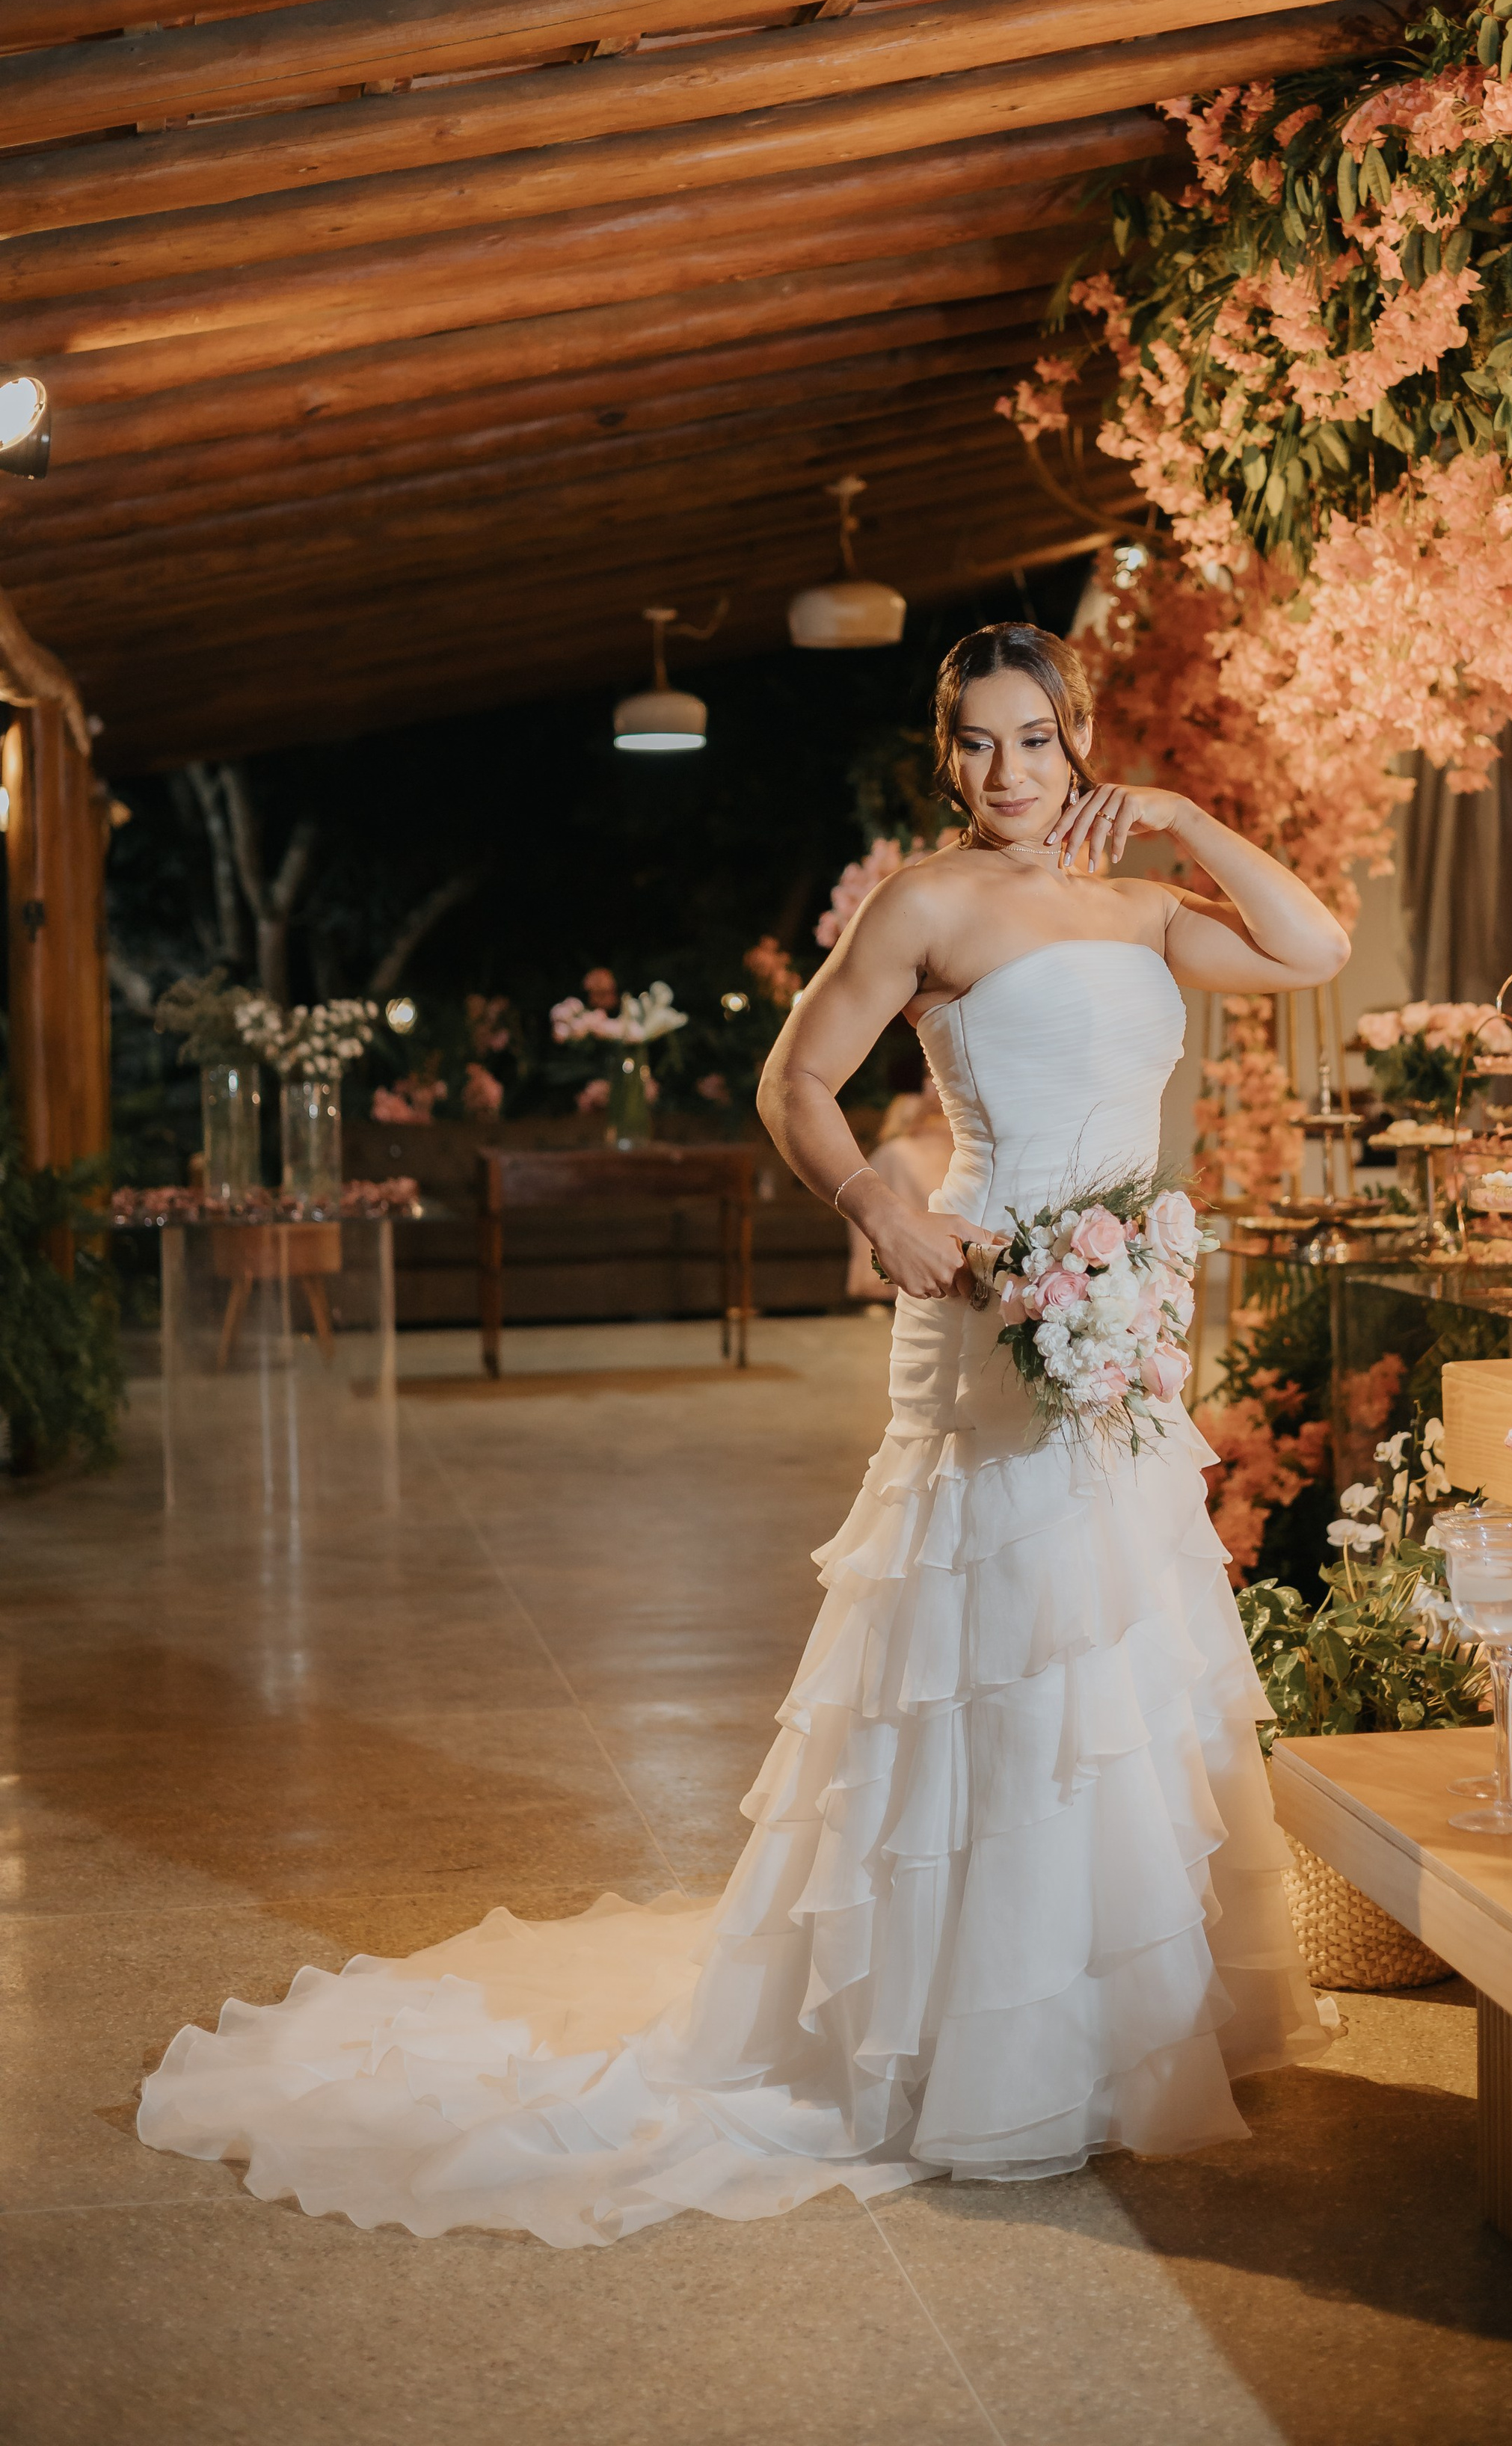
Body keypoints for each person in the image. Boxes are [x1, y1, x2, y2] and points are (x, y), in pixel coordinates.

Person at [136, 621, 1351, 2245]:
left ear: (1079, 744)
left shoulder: (1143, 907)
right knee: (979, 1644)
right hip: (987, 1293)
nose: (1003, 774)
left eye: (1033, 742)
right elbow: (798, 1082)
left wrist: (1186, 825)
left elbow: (1314, 946)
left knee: (1110, 1655)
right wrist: (873, 1200)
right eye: (975, 744)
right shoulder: (923, 902)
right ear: (947, 757)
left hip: (1119, 1321)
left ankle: (1109, 2025)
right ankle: (957, 2039)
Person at [843, 1078, 955, 1303]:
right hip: (915, 1148)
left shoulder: (960, 1083)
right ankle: (891, 1270)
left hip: (951, 1154)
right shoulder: (915, 1091)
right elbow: (894, 1130)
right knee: (894, 1154)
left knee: (895, 1156)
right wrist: (923, 1108)